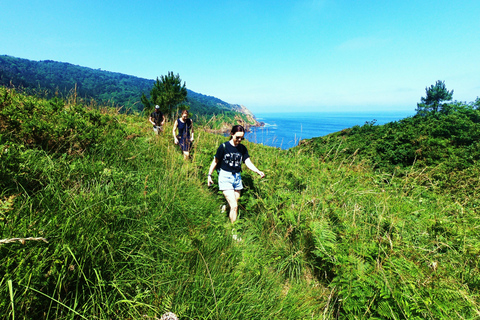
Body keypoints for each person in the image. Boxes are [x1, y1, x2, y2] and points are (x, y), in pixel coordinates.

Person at [207, 125, 265, 224]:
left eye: (241, 138)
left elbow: (248, 162)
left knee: (235, 201)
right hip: (225, 176)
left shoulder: (242, 148)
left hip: (237, 177)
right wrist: (209, 175)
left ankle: (225, 207)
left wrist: (258, 171)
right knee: (234, 206)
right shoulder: (224, 147)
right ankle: (233, 230)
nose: (239, 140)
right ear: (232, 134)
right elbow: (215, 161)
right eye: (237, 137)